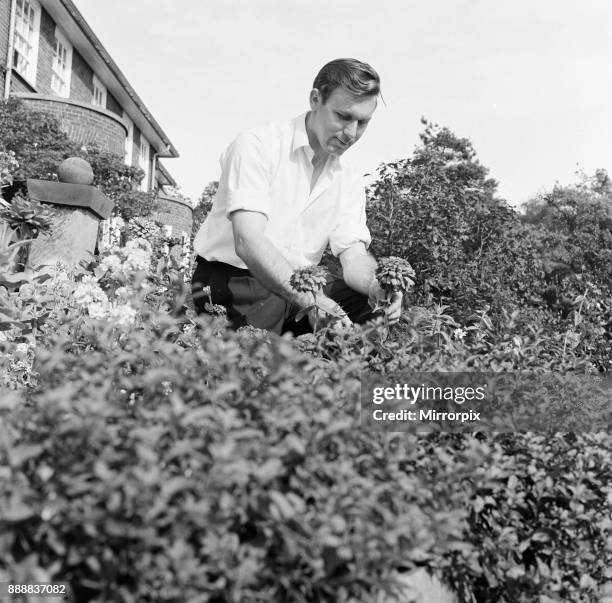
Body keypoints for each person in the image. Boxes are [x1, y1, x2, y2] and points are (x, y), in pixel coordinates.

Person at [191, 58, 402, 335]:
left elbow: (354, 256)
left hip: (304, 285)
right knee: (258, 368)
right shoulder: (257, 146)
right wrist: (313, 302)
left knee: (370, 307)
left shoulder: (348, 176)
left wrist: (377, 285)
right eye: (343, 116)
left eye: (362, 122)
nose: (351, 133)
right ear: (315, 99)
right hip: (235, 281)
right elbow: (249, 242)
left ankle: (341, 376)